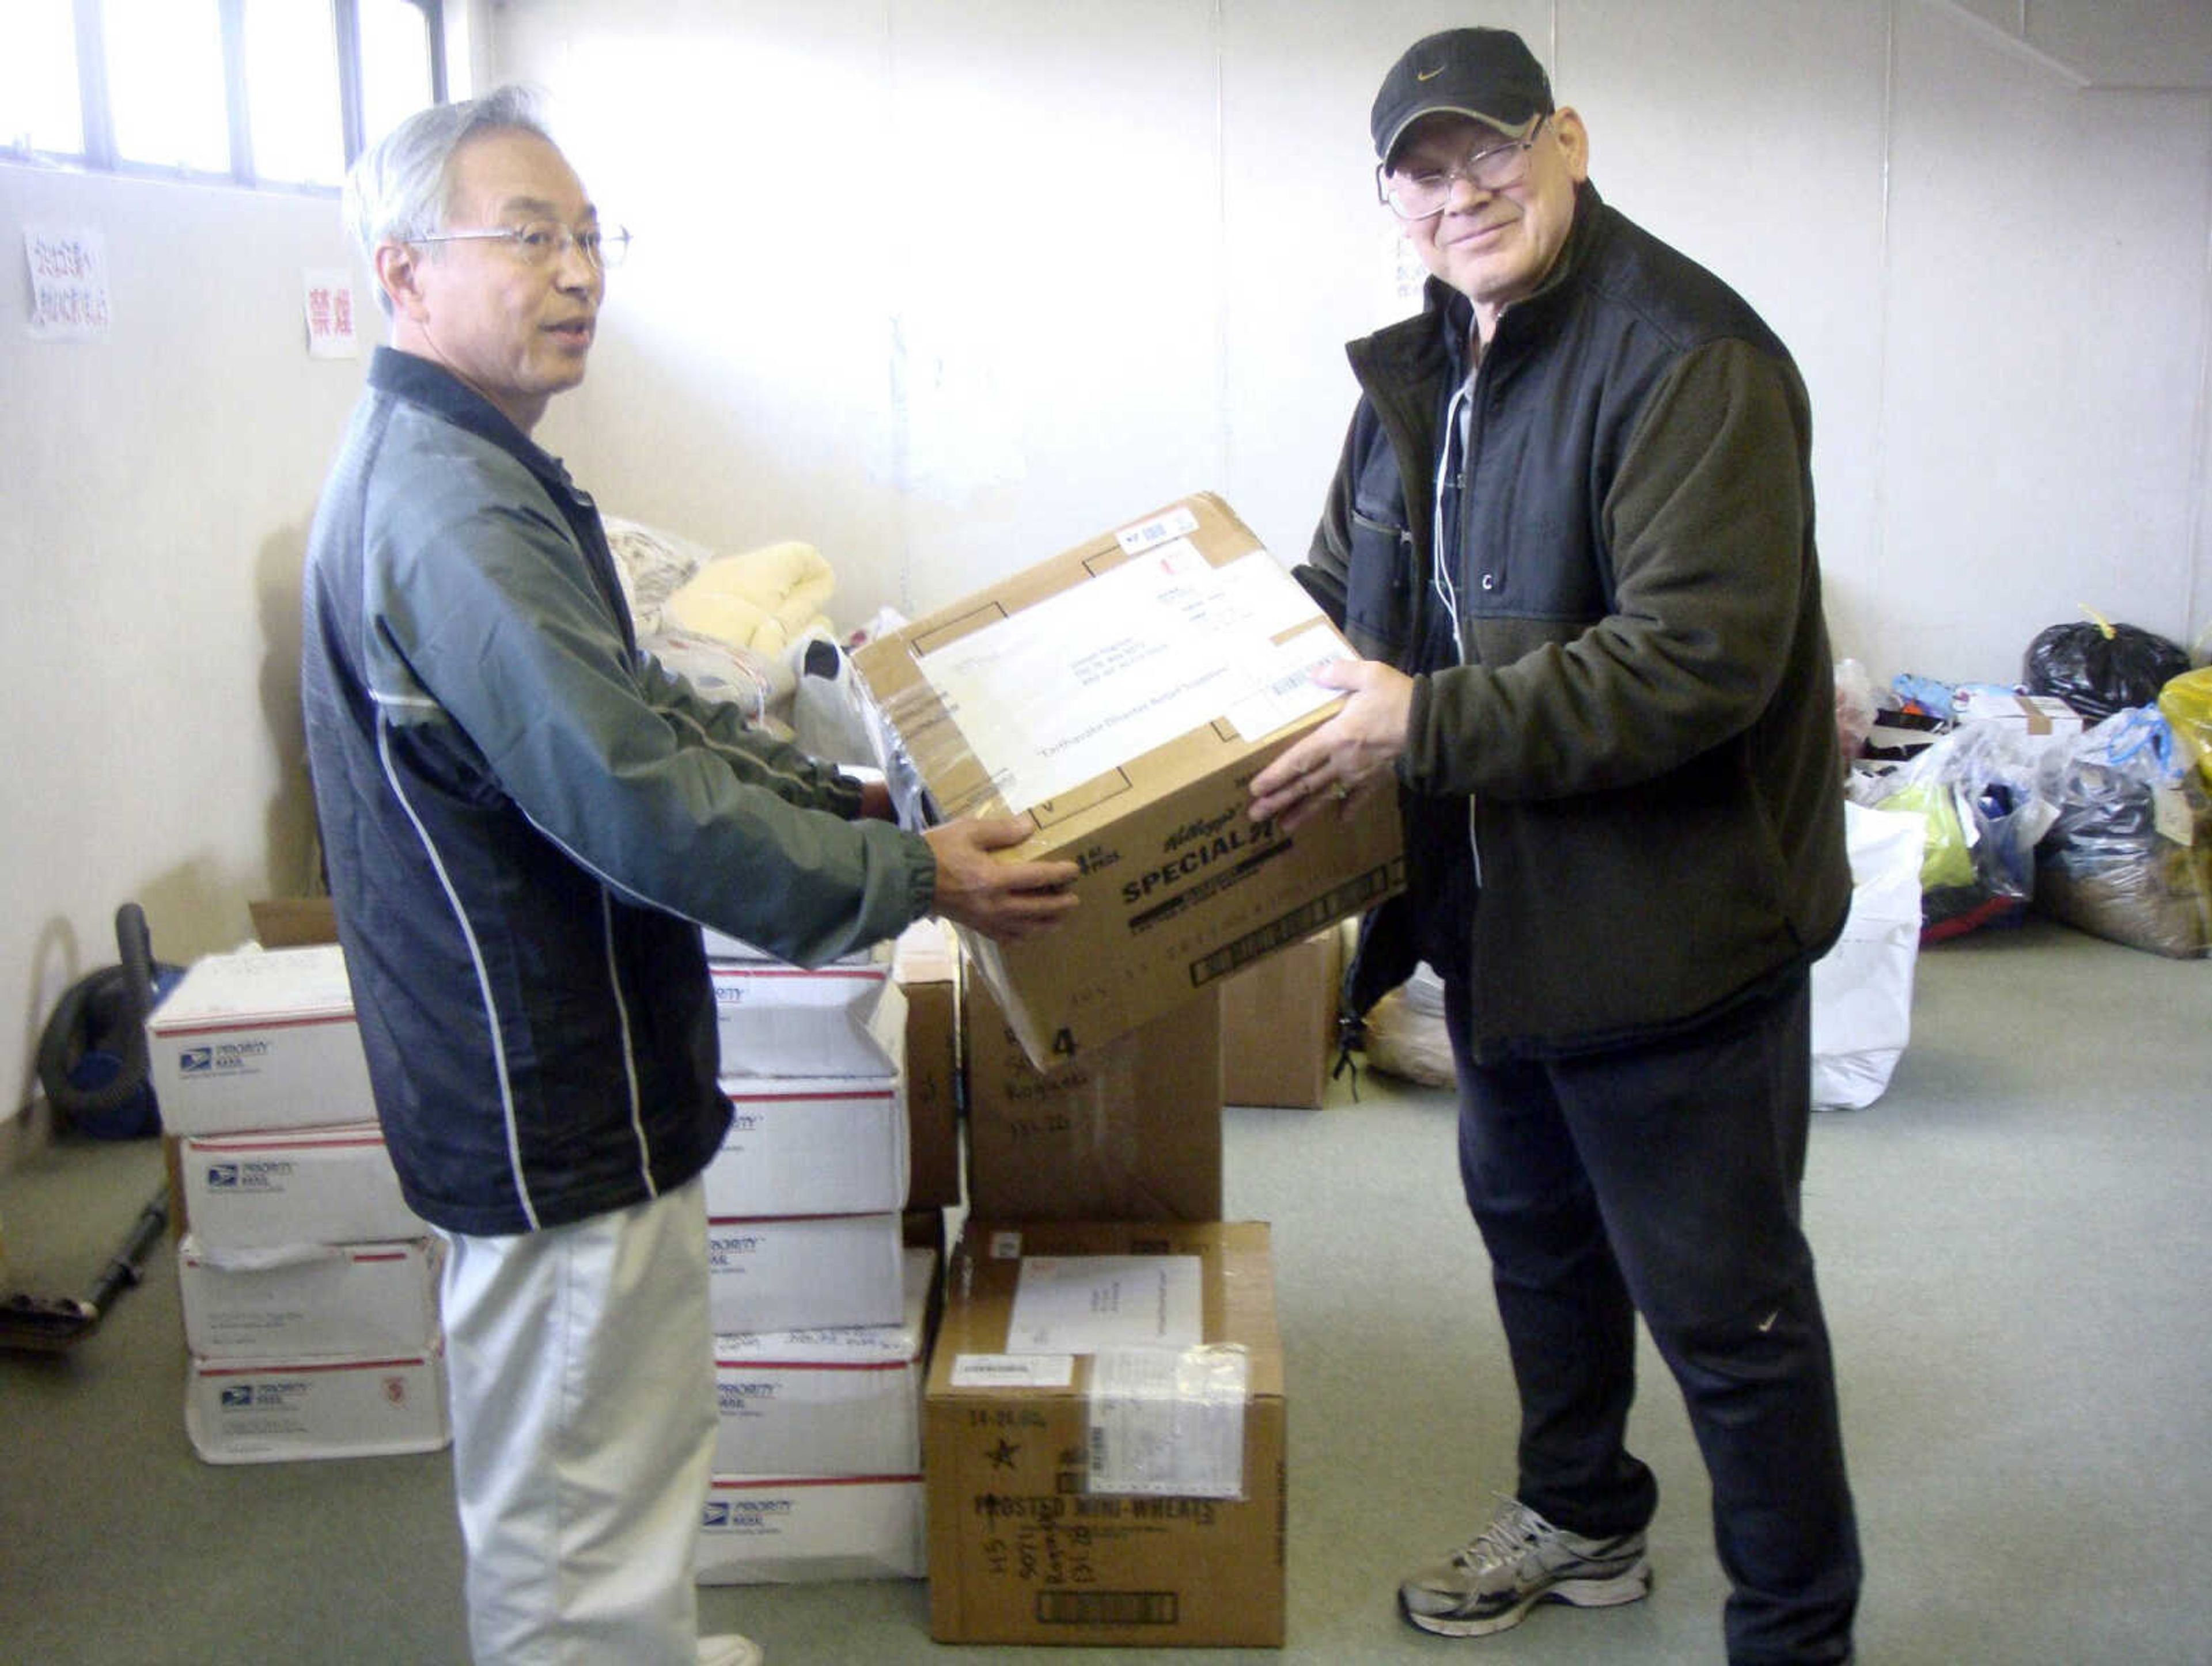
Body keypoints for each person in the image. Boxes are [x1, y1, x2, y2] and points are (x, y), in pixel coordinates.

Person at [299, 88, 1077, 1666]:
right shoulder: (447, 509)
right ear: (401, 274)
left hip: (577, 1050)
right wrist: (909, 878)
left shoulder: (486, 463)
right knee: (573, 1499)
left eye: (591, 235)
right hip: (540, 1075)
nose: (579, 271)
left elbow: (650, 710)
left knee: (623, 1439)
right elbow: (638, 800)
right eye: (529, 236)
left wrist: (859, 799)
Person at [1250, 27, 1860, 1665]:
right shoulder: (1419, 370)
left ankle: (1797, 1638)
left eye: (1490, 153)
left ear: (1568, 140)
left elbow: (1696, 664)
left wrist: (1416, 724)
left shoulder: (1687, 359)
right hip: (1493, 921)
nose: (1463, 195)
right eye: (1423, 172)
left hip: (1670, 937)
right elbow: (1339, 600)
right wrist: (1185, 665)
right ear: (1390, 199)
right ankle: (1583, 1514)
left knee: (1730, 1319)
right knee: (1538, 1243)